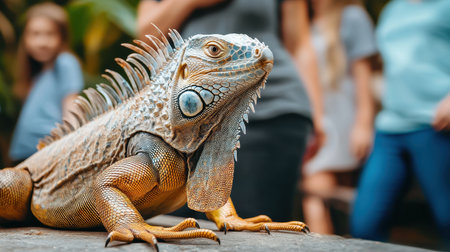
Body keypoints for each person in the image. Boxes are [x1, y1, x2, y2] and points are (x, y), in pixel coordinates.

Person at [137, 0, 324, 221]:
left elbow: (300, 44)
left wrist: (318, 116)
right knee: (178, 226)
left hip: (272, 111)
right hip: (187, 123)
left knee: (256, 232)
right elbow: (145, 39)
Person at [351, 0, 450, 248]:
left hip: (434, 125)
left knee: (446, 218)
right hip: (389, 127)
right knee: (365, 225)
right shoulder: (393, 9)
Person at [301, 0, 376, 234]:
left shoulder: (353, 16)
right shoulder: (305, 20)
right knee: (319, 194)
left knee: (319, 195)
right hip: (315, 120)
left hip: (343, 120)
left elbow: (364, 78)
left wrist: (364, 124)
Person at [9, 3, 83, 163]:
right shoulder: (38, 74)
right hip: (26, 153)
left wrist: (72, 148)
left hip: (46, 154)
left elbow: (71, 106)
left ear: (62, 37)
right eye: (35, 34)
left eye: (50, 34)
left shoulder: (65, 62)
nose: (42, 42)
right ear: (25, 38)